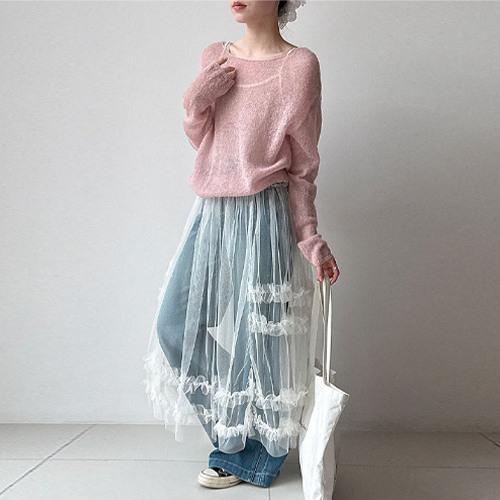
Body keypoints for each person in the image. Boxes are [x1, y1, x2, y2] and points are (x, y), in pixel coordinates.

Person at [143, 0, 340, 490]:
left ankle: (259, 455)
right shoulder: (216, 56)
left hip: (266, 212)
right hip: (211, 211)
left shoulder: (300, 66)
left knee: (262, 339)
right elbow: (206, 140)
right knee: (175, 325)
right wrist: (195, 101)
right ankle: (235, 434)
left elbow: (303, 164)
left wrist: (309, 236)